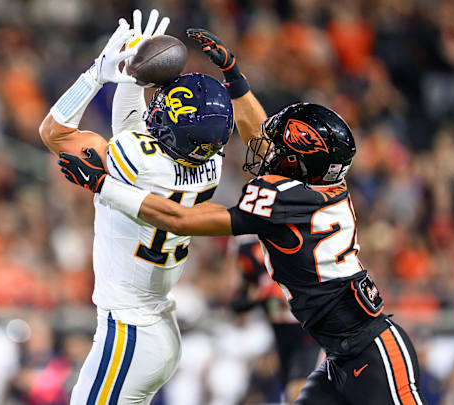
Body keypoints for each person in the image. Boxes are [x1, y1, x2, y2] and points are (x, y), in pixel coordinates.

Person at [58, 56, 428, 404]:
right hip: (341, 351)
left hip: (370, 350)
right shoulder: (316, 187)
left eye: (284, 150)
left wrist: (104, 185)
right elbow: (262, 140)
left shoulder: (286, 200)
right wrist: (234, 76)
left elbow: (181, 219)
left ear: (300, 161)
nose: (268, 150)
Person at [38, 10, 237, 404]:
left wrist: (99, 73)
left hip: (130, 329)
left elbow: (54, 132)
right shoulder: (212, 165)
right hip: (157, 325)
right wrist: (131, 75)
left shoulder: (137, 158)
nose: (157, 109)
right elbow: (133, 135)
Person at [229, 235, 321, 403]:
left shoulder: (298, 240)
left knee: (298, 392)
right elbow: (237, 303)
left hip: (309, 332)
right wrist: (261, 294)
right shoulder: (249, 251)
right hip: (281, 336)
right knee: (289, 394)